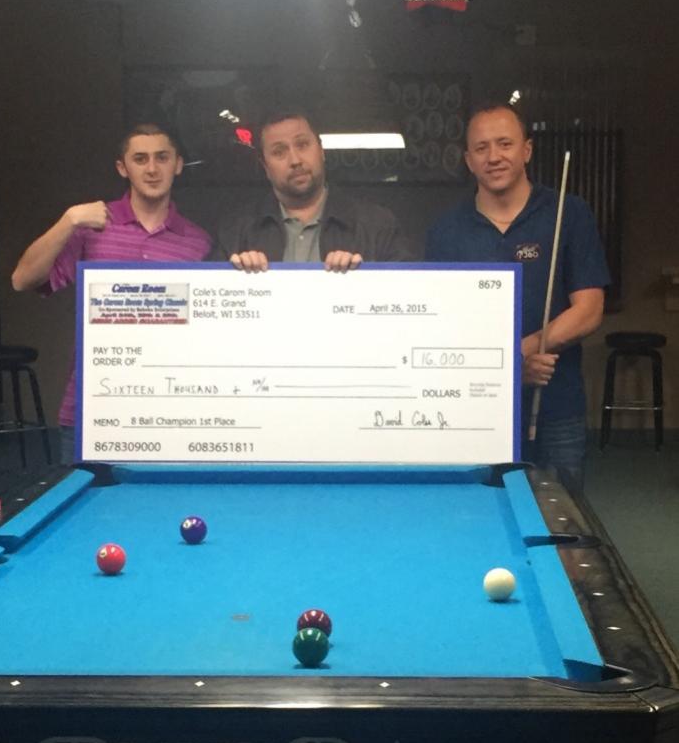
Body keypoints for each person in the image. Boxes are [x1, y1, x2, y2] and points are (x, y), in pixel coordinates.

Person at [425, 103, 609, 488]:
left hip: (555, 405)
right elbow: (440, 326)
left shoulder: (569, 213)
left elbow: (589, 310)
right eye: (481, 148)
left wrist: (521, 350)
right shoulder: (446, 231)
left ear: (526, 150)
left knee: (561, 516)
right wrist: (508, 368)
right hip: (476, 409)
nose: (494, 156)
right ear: (468, 160)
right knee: (478, 512)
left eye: (505, 144)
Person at [11, 122, 212, 463]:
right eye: (140, 159)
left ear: (178, 164)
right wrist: (68, 219)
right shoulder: (91, 226)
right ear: (123, 167)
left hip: (169, 414)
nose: (152, 169)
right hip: (91, 409)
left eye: (162, 157)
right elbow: (22, 279)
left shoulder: (198, 241)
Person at [215, 109, 414, 270]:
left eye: (302, 145)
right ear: (265, 167)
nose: (295, 160)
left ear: (321, 151)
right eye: (279, 152)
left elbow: (409, 295)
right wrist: (240, 280)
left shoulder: (377, 225)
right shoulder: (236, 232)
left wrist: (360, 279)